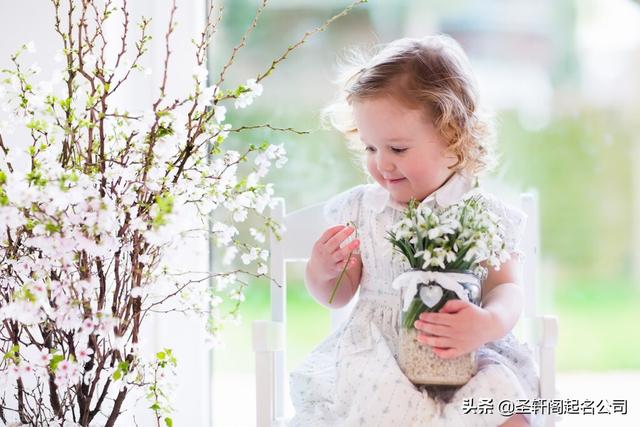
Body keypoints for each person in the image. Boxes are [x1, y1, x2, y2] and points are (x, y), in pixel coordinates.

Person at [288, 35, 541, 427]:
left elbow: (506, 287)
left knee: (504, 404)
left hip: (463, 350)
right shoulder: (363, 210)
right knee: (382, 403)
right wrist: (324, 271)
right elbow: (337, 296)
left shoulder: (481, 213)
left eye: (398, 149)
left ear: (452, 137)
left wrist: (487, 323)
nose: (382, 164)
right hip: (379, 354)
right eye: (371, 148)